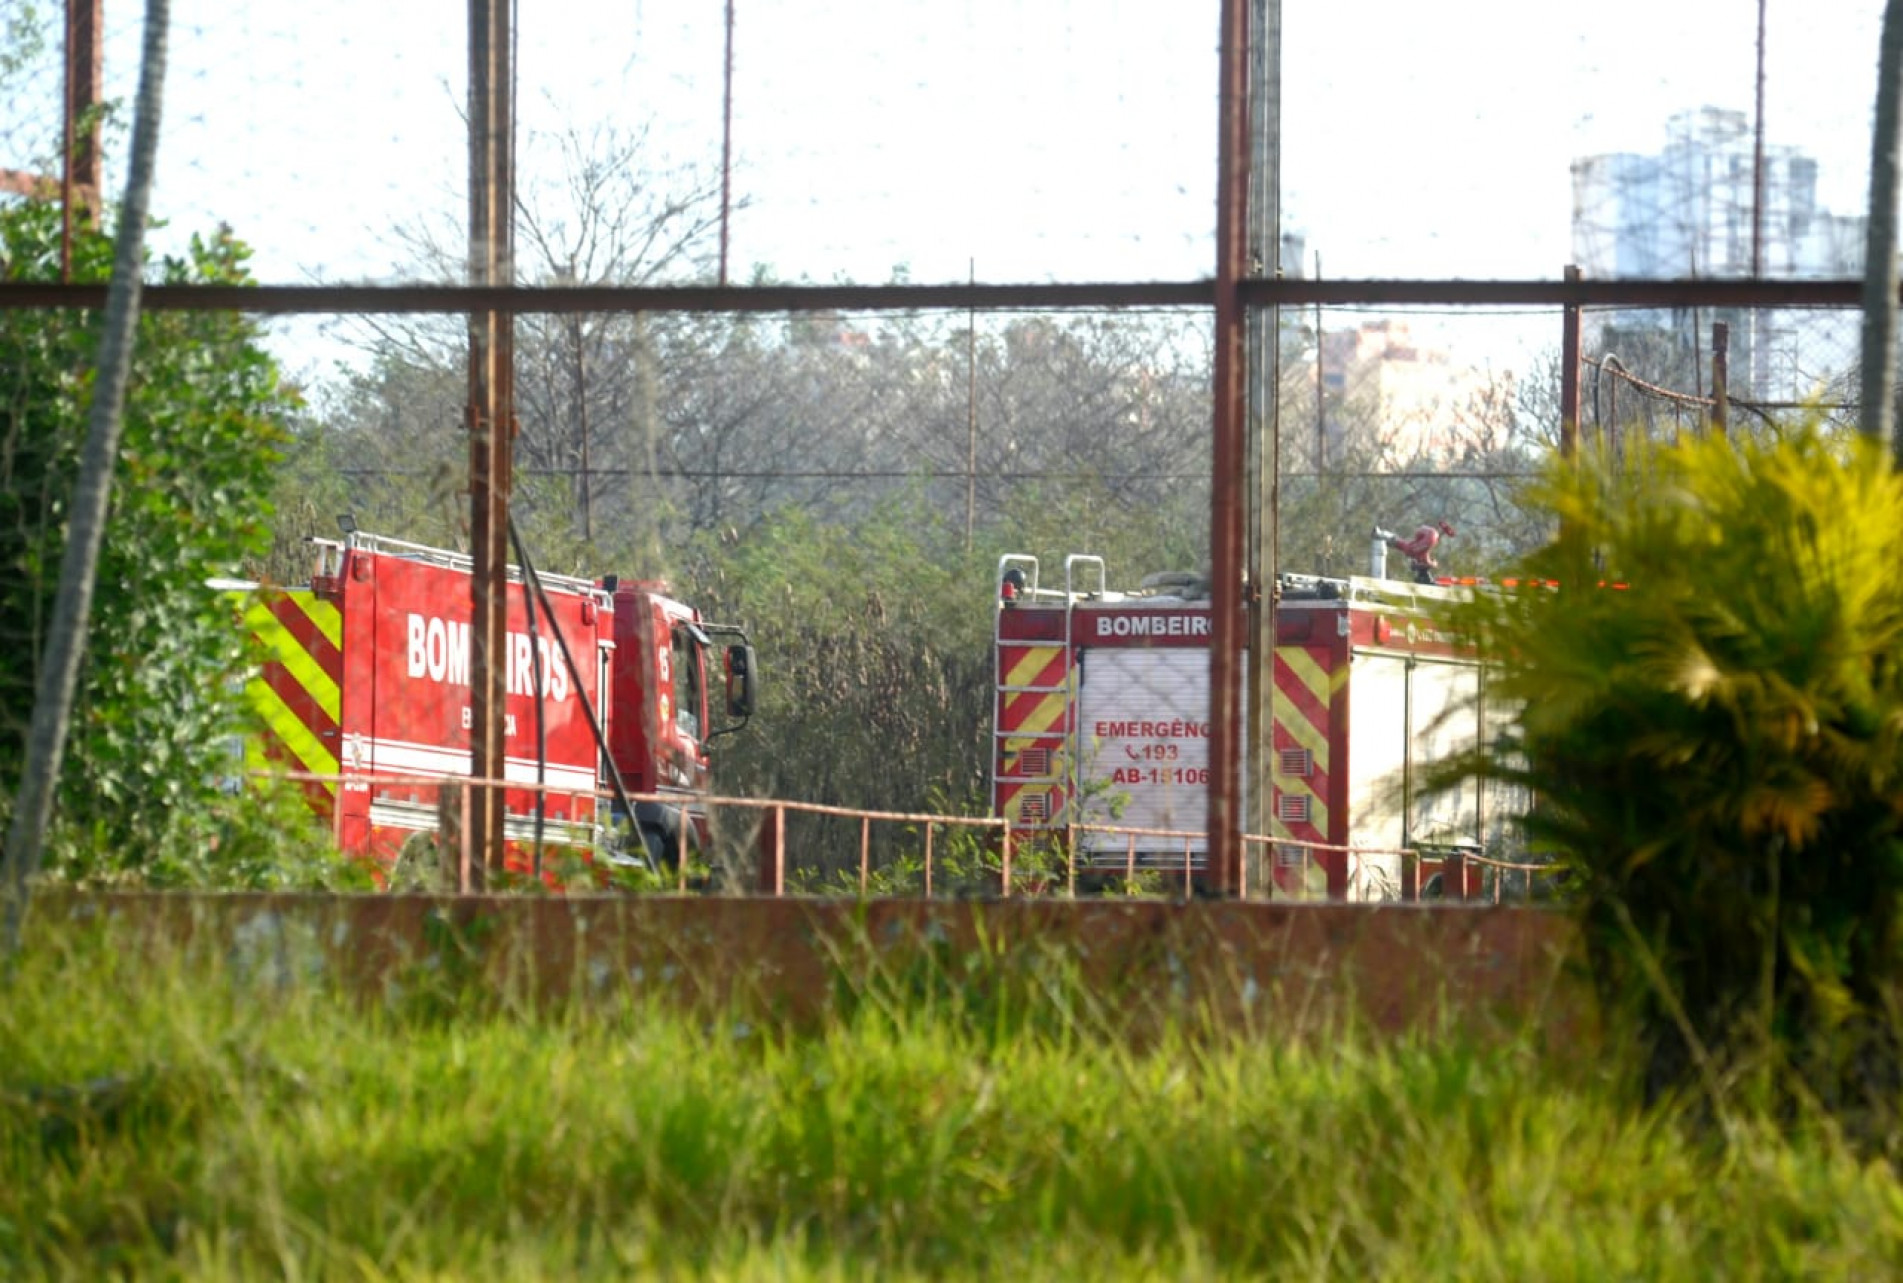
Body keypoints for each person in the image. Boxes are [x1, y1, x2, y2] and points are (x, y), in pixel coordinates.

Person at [1384, 520, 1454, 583]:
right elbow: (1422, 553)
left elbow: (1423, 552)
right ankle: (1388, 538)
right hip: (1426, 536)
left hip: (1424, 533)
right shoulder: (1415, 548)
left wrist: (1430, 562)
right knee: (1410, 549)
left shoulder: (1420, 544)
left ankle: (1388, 538)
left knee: (1410, 549)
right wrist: (1431, 563)